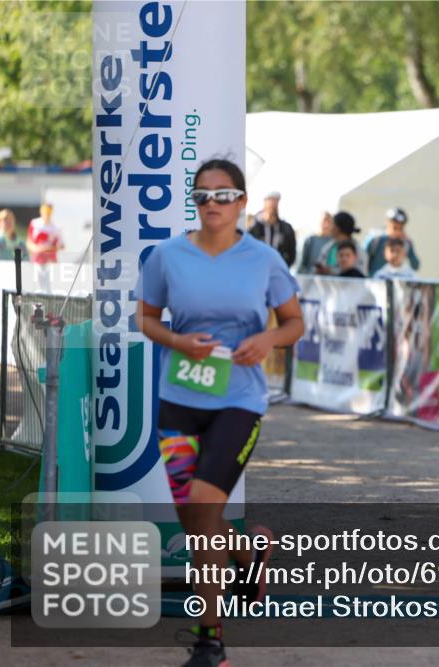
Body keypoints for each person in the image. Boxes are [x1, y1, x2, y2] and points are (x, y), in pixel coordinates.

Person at [135, 159, 304, 667]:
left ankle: (210, 638)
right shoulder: (166, 256)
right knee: (193, 518)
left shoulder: (264, 259)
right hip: (178, 398)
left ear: (242, 202)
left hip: (239, 400)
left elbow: (294, 322)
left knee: (205, 510)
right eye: (203, 195)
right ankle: (249, 557)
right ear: (195, 201)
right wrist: (178, 341)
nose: (213, 204)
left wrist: (269, 338)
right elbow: (146, 318)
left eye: (223, 194)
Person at [366, 207, 420, 276]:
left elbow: (415, 266)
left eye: (401, 228)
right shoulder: (375, 239)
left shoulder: (405, 243)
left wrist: (408, 244)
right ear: (387, 223)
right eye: (394, 228)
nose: (397, 232)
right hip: (374, 283)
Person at [248, 191, 297, 268]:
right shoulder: (253, 228)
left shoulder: (287, 229)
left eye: (276, 201)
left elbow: (292, 255)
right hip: (257, 271)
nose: (274, 204)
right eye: (271, 200)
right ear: (264, 203)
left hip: (278, 273)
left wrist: (282, 268)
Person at [314, 211, 366, 275]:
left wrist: (332, 272)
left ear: (338, 228)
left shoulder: (358, 251)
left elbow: (360, 275)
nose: (329, 227)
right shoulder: (328, 247)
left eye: (332, 224)